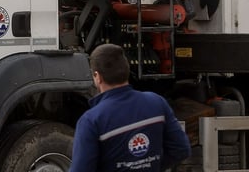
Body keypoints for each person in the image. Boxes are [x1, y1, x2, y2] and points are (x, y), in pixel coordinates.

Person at [70, 43, 191, 172]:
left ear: (97, 77)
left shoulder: (91, 121)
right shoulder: (156, 102)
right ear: (127, 70)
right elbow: (181, 149)